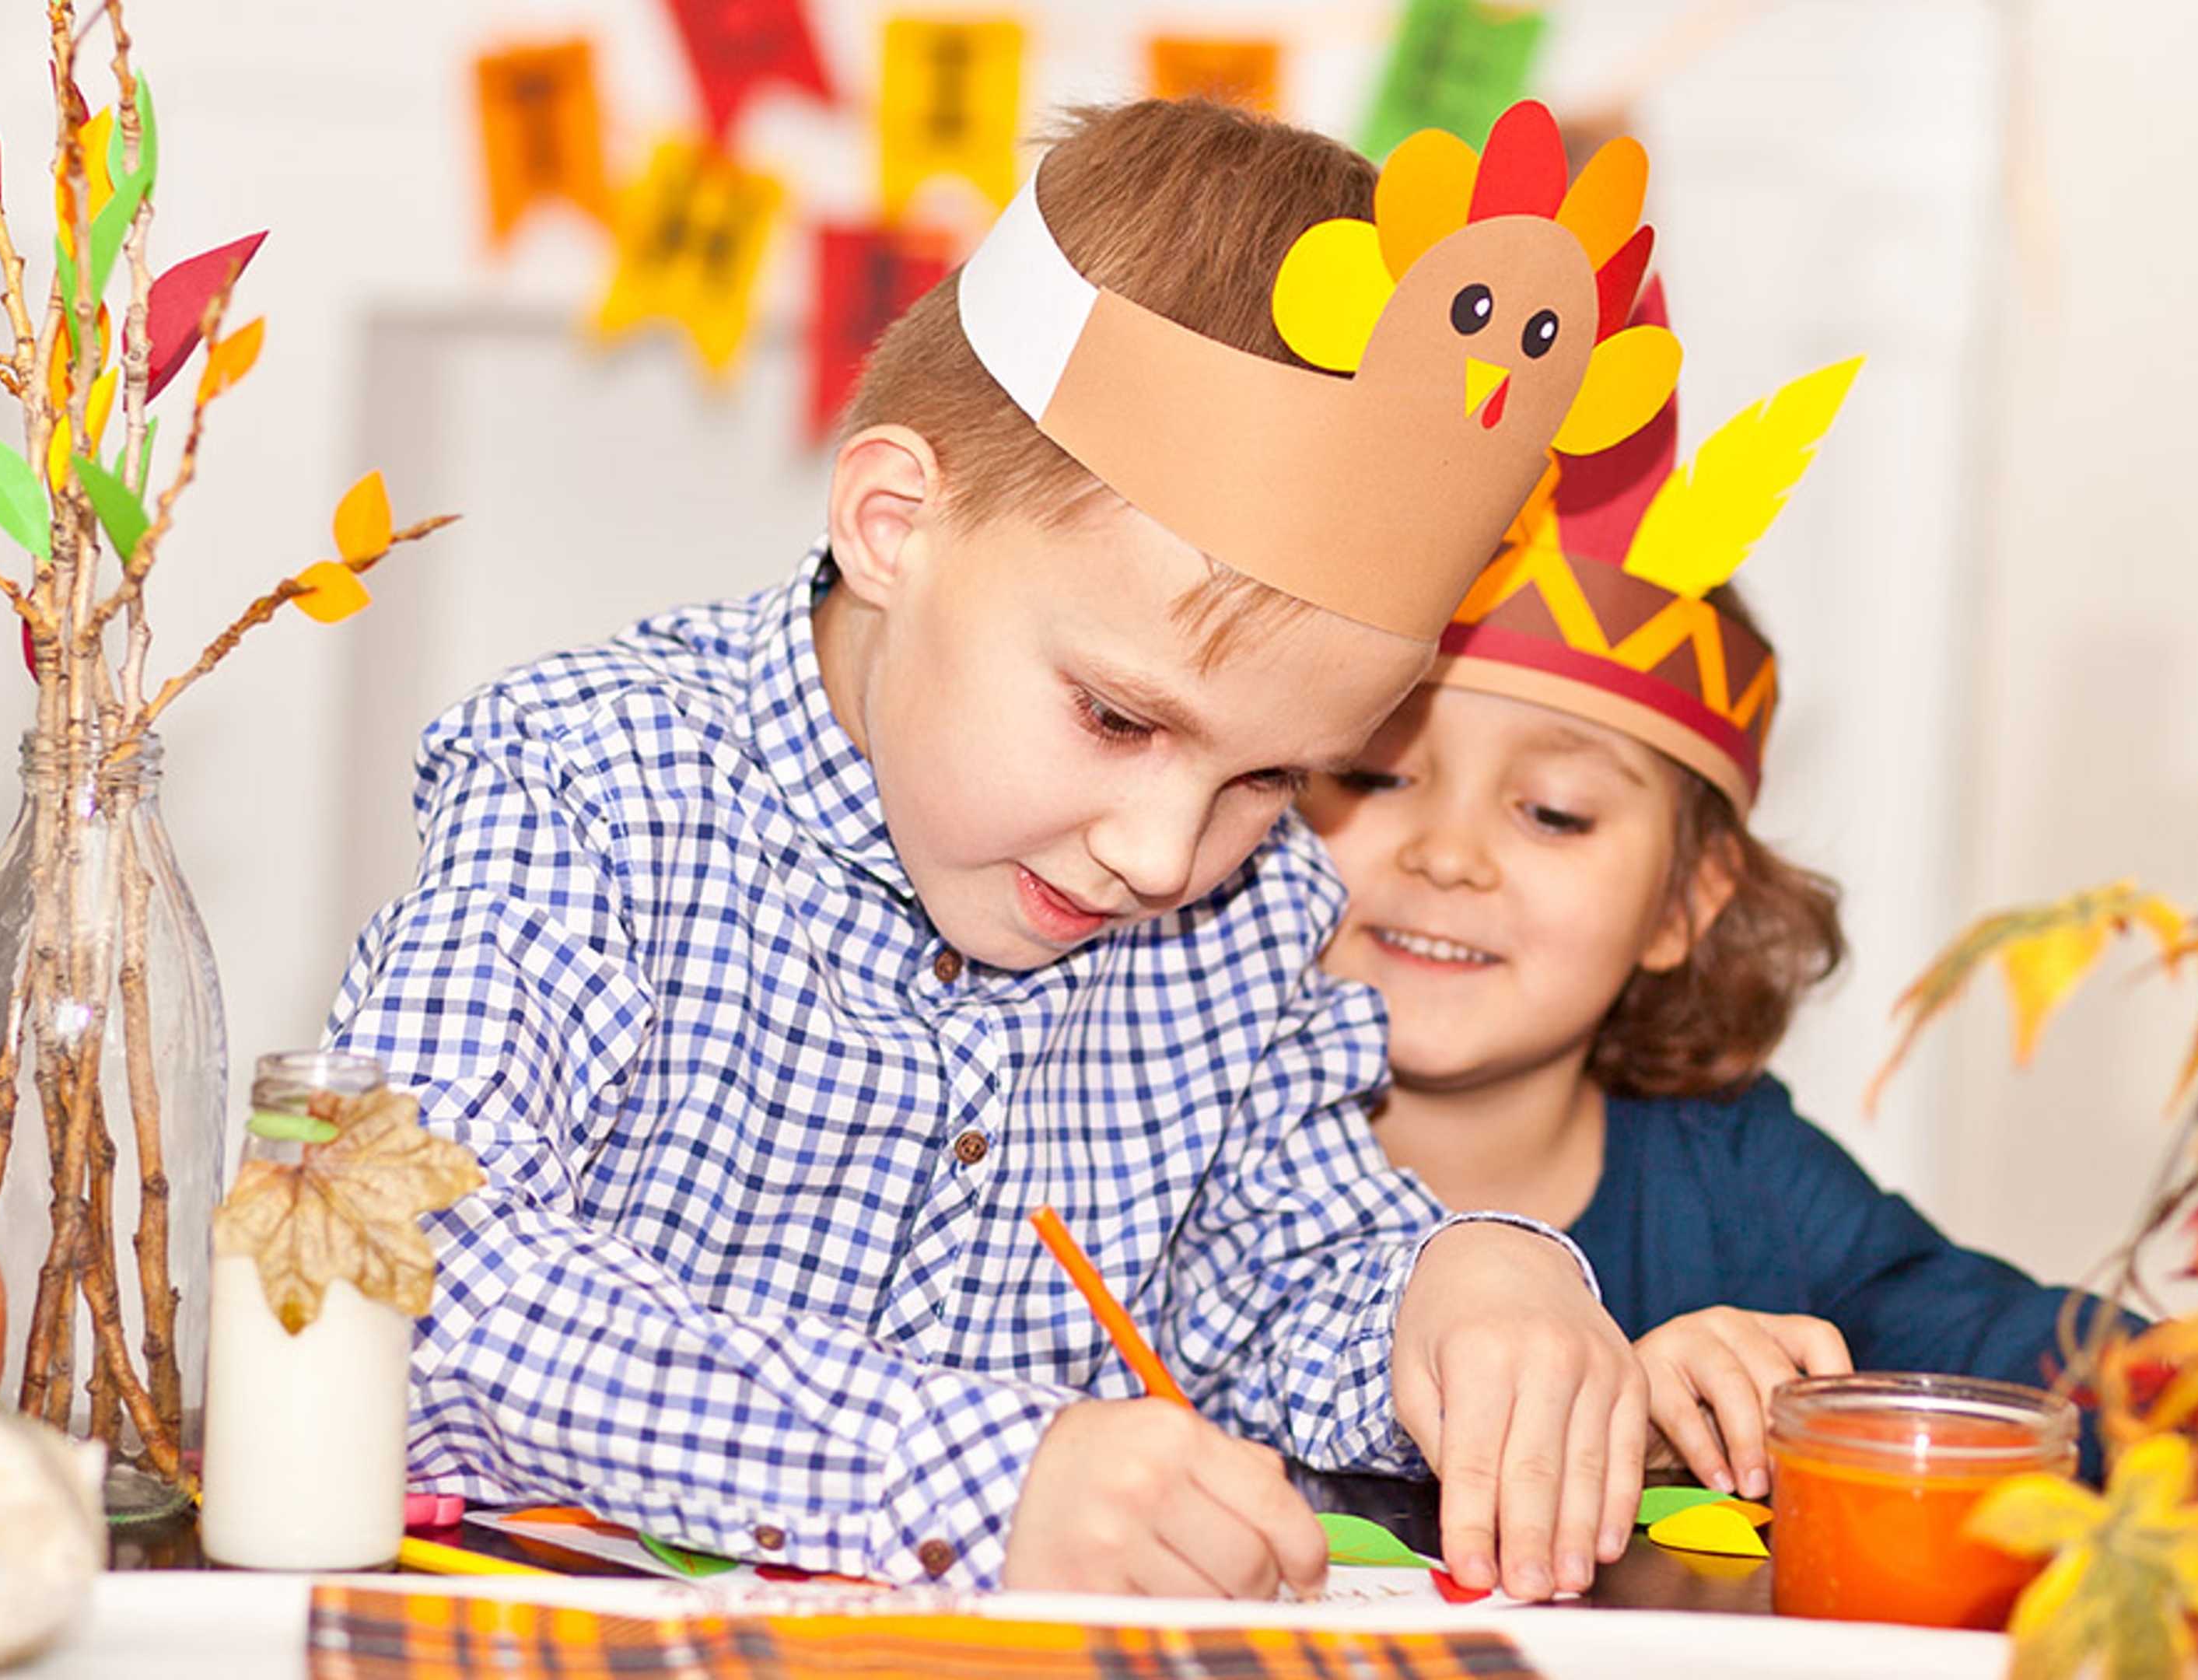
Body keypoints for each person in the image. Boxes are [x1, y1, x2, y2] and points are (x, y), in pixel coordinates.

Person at [324, 97, 1690, 1601]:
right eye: (1117, 717)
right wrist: (968, 1478)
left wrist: (1463, 1285)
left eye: (1275, 777)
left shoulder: (1249, 910)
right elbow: (387, 1266)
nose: (1165, 857)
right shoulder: (596, 784)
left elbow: (1280, 1284)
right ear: (893, 524)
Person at [1300, 326, 2198, 1502]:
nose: (1447, 854)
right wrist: (1620, 1403)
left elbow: (1980, 1341)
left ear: (1685, 905)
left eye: (1554, 813)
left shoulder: (1744, 1176)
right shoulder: (1197, 1142)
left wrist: (2192, 1391)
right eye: (1373, 776)